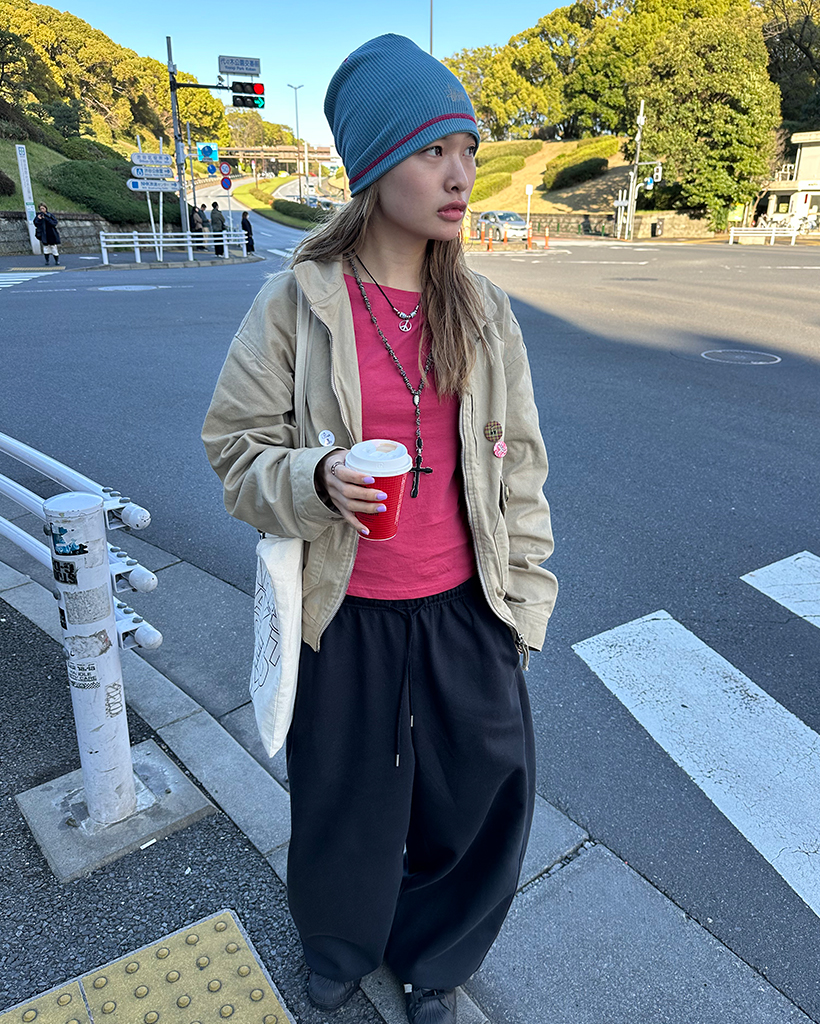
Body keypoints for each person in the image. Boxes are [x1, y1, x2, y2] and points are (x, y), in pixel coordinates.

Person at [202, 34, 556, 1024]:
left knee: (481, 799)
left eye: (467, 150)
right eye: (432, 150)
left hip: (467, 610)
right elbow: (233, 449)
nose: (459, 174)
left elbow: (521, 468)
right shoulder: (295, 304)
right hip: (345, 612)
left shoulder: (483, 311)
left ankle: (433, 957)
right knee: (343, 805)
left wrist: (523, 608)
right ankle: (338, 944)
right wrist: (313, 477)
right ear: (374, 164)